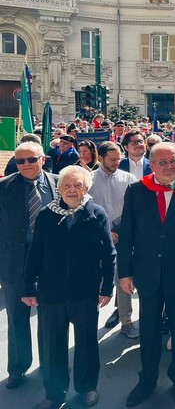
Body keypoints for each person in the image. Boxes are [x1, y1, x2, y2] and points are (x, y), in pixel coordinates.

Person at [117, 142, 175, 406]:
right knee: (149, 328)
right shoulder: (137, 190)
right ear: (152, 165)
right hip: (147, 271)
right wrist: (125, 272)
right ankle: (147, 380)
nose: (170, 167)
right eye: (163, 162)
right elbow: (127, 235)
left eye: (174, 162)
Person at [22, 166, 115, 409]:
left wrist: (107, 287)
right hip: (51, 292)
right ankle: (54, 393)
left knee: (86, 344)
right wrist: (29, 286)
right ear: (59, 188)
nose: (72, 190)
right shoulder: (45, 215)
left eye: (78, 186)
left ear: (86, 188)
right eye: (67, 186)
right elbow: (35, 253)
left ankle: (86, 388)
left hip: (85, 292)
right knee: (53, 345)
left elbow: (108, 253)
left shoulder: (97, 214)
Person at [0, 142, 59, 390]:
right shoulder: (4, 187)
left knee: (51, 316)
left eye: (31, 160)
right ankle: (18, 367)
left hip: (50, 262)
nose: (25, 165)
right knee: (17, 317)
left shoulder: (60, 183)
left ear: (42, 159)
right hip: (15, 261)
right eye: (20, 161)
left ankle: (50, 363)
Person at [89, 141, 139, 339]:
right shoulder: (89, 179)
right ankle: (90, 322)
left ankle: (125, 320)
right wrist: (104, 232)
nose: (116, 162)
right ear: (100, 158)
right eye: (112, 159)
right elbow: (85, 209)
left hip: (123, 236)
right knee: (94, 279)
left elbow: (134, 210)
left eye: (119, 158)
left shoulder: (129, 179)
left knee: (123, 278)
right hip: (96, 237)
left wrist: (121, 232)